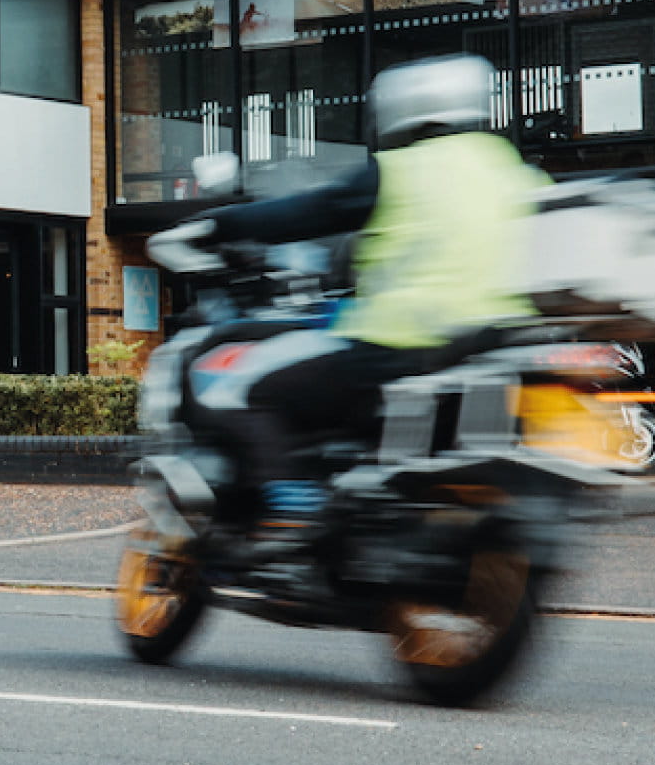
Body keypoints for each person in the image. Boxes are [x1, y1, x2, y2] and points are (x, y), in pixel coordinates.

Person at [151, 54, 547, 554]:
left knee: (249, 388)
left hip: (400, 348)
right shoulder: (518, 174)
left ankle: (290, 513)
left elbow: (309, 212)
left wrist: (220, 225)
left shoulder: (400, 170)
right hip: (499, 351)